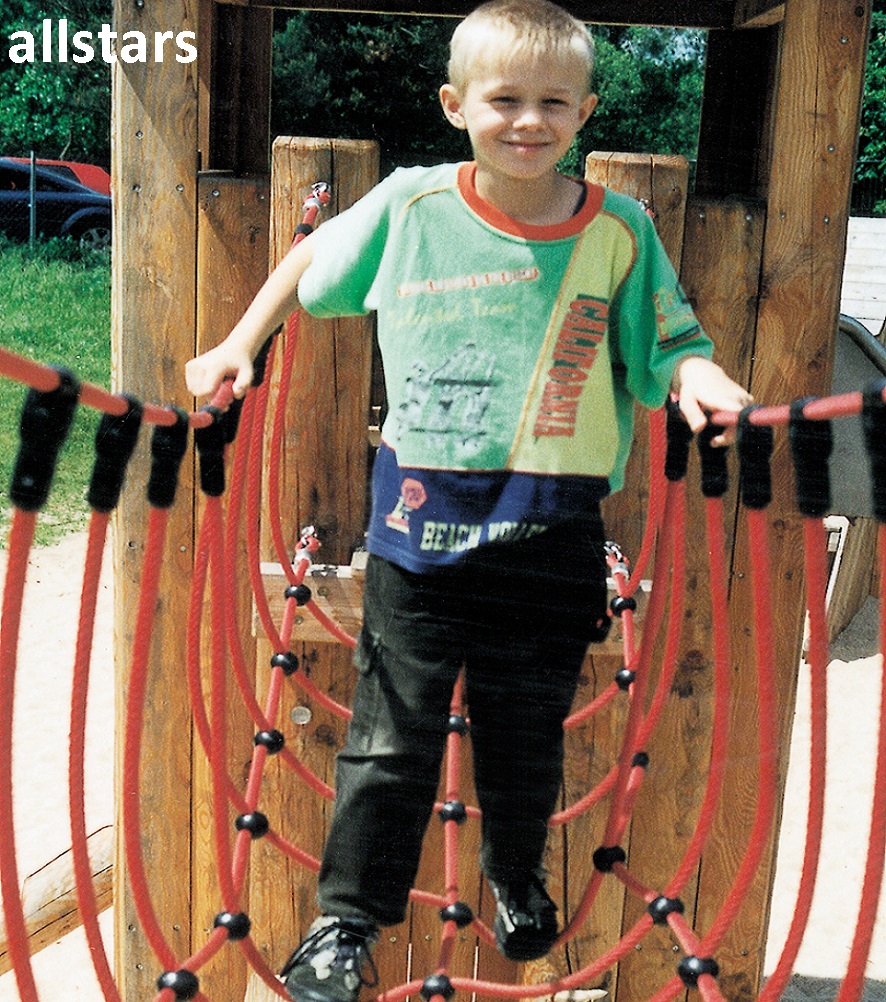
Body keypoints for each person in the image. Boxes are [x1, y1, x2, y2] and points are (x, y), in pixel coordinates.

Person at [186, 2, 752, 998]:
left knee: (525, 727)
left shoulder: (617, 230)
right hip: (418, 530)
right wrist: (239, 343)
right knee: (389, 736)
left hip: (551, 525)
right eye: (504, 100)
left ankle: (513, 872)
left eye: (552, 103)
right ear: (455, 105)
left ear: (583, 112)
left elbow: (669, 340)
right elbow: (308, 265)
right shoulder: (411, 209)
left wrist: (698, 376)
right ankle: (345, 924)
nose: (528, 121)